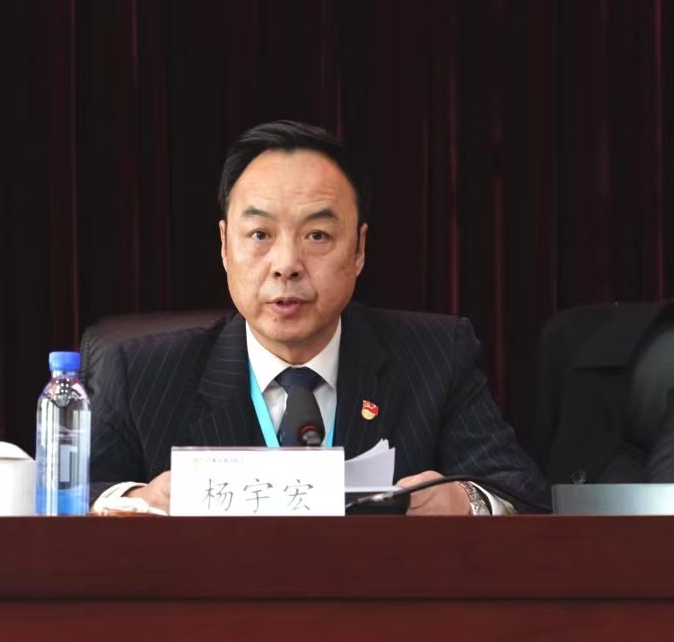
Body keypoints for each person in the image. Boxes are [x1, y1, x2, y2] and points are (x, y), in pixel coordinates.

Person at [90, 120, 549, 515]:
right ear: (225, 245)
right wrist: (135, 500)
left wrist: (464, 501)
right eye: (260, 234)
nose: (286, 264)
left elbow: (522, 494)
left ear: (359, 249)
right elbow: (70, 498)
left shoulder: (436, 357)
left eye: (317, 235)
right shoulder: (143, 374)